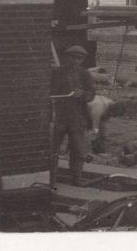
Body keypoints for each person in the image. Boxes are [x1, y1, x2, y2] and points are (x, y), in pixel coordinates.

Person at [50, 45, 95, 185]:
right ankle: (51, 178)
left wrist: (83, 94)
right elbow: (49, 91)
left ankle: (77, 177)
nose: (75, 61)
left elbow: (91, 94)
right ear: (66, 57)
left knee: (77, 148)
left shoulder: (84, 74)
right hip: (60, 115)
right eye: (72, 57)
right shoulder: (56, 73)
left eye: (79, 58)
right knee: (53, 148)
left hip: (77, 117)